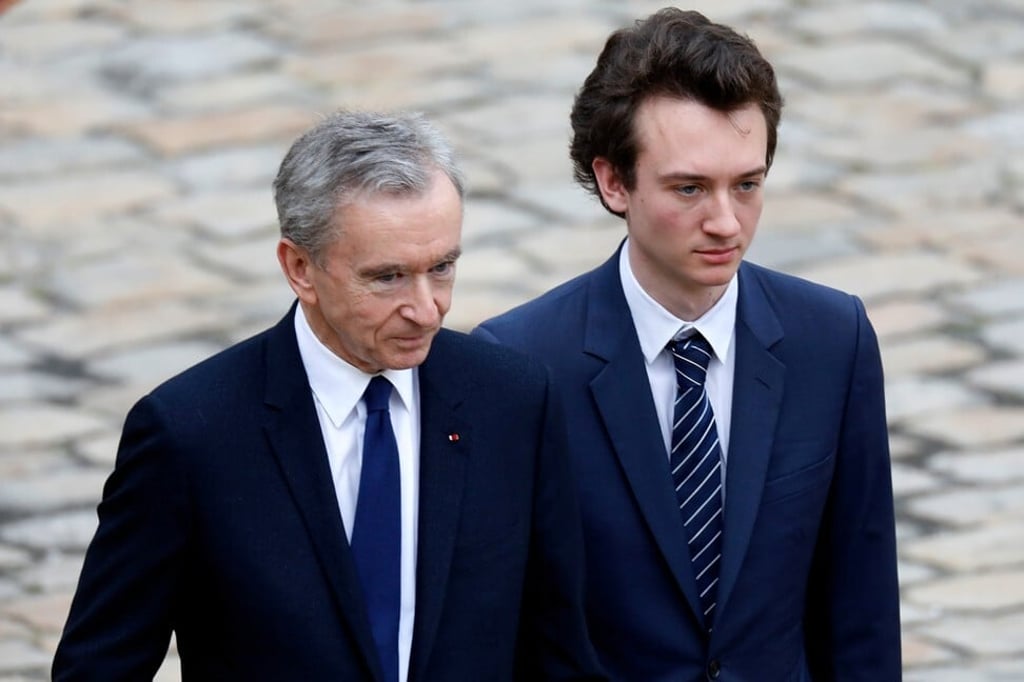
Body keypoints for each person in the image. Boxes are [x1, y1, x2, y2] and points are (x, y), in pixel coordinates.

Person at [53, 111, 604, 682]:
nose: (427, 308)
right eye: (387, 277)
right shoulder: (190, 435)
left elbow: (558, 647)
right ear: (300, 269)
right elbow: (99, 666)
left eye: (441, 268)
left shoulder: (513, 402)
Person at [474, 8, 901, 681]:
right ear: (614, 181)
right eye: (690, 188)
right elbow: (505, 627)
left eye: (748, 185)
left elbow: (861, 603)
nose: (726, 222)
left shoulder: (832, 339)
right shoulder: (520, 364)